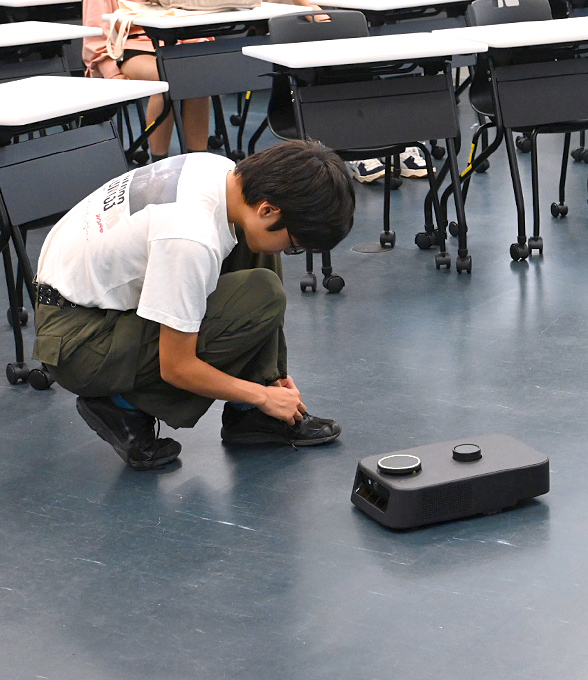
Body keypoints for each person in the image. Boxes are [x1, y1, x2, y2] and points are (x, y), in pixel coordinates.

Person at [32, 139, 356, 470]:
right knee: (263, 293)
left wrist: (271, 379)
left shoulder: (221, 172)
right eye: (294, 245)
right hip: (78, 344)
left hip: (83, 302)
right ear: (268, 209)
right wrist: (261, 396)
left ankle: (252, 413)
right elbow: (176, 366)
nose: (288, 252)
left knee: (256, 246)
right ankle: (121, 405)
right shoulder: (189, 237)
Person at [82, 0, 211, 161]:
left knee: (197, 78)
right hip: (127, 48)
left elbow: (191, 13)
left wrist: (198, 48)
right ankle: (159, 163)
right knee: (166, 79)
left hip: (175, 44)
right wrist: (112, 73)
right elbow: (96, 37)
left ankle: (199, 161)